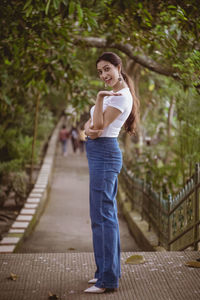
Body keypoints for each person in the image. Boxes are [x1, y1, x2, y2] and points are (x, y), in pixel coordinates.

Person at [84, 52, 139, 294]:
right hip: (100, 154)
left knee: (104, 218)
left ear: (118, 67)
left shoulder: (119, 97)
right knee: (101, 217)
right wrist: (90, 128)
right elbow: (88, 129)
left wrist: (98, 98)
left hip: (104, 155)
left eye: (107, 69)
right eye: (100, 72)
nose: (104, 75)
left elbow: (95, 128)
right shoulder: (114, 96)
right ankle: (104, 272)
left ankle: (107, 279)